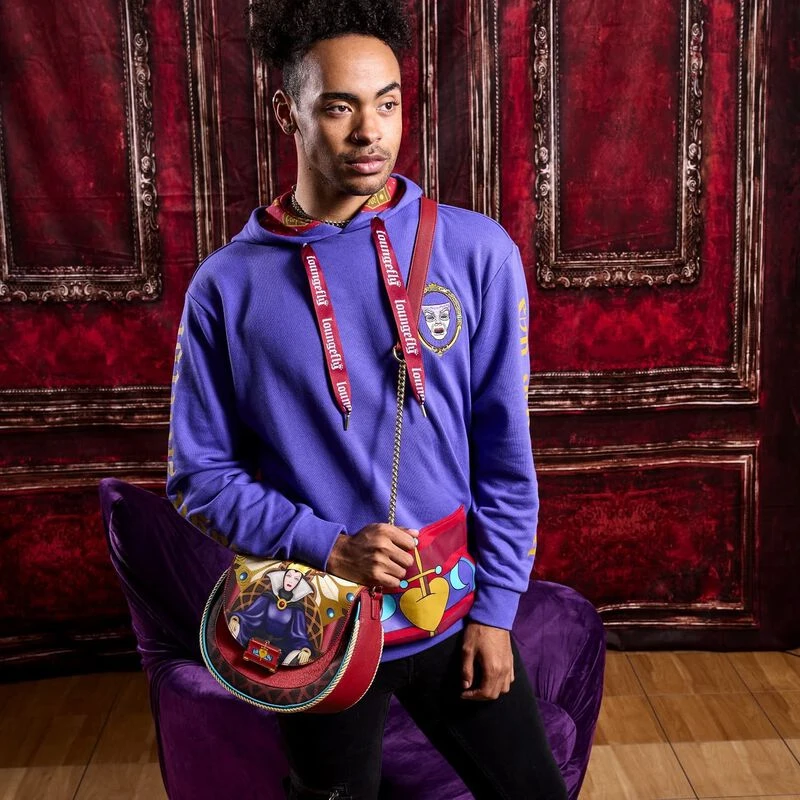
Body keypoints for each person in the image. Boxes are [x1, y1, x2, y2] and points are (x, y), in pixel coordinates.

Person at [167, 0, 568, 797]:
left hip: (454, 613)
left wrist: (496, 611)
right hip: (315, 626)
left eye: (386, 103)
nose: (369, 132)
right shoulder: (225, 287)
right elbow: (198, 476)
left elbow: (505, 453)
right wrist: (329, 546)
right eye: (339, 107)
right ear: (286, 112)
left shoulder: (477, 252)